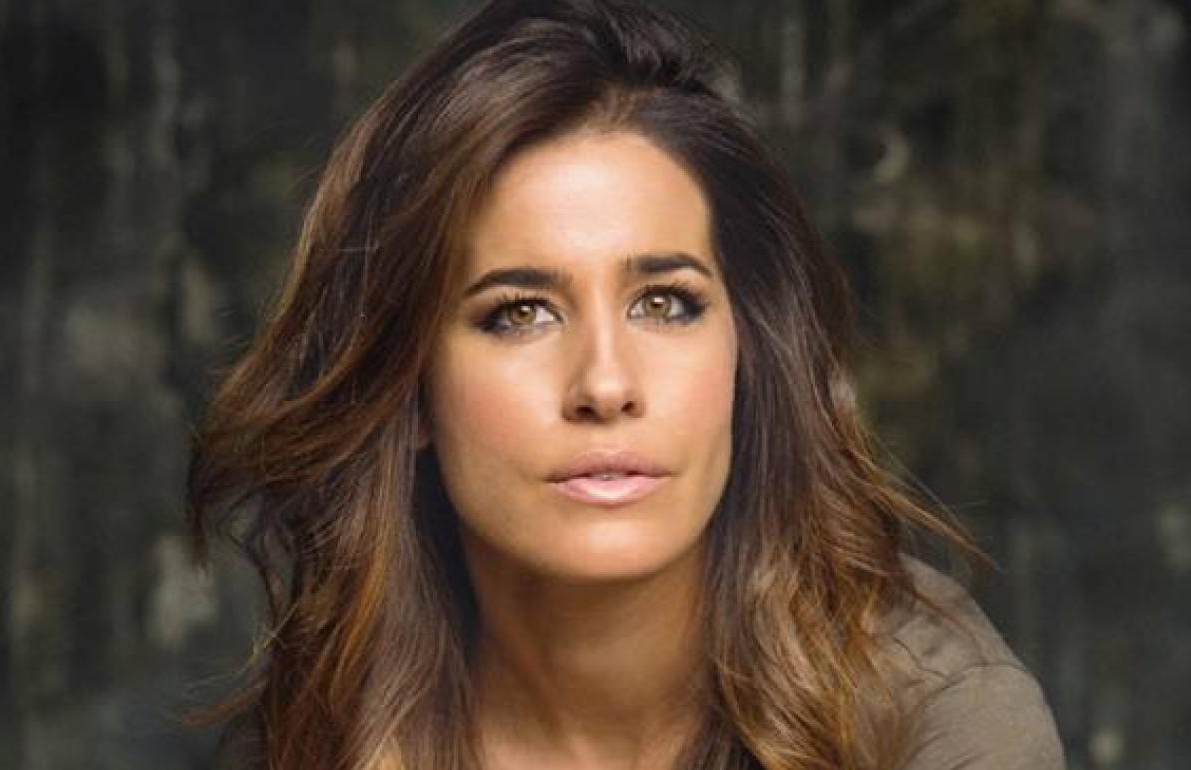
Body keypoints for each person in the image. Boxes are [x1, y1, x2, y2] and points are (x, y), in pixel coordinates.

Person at [185, 1, 1066, 768]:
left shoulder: (933, 720)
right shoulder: (310, 735)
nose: (605, 385)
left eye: (665, 303)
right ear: (407, 386)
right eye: (519, 313)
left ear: (745, 354)